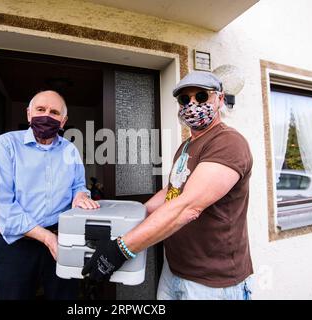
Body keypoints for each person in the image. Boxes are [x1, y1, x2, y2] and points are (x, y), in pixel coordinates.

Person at [82, 71, 253, 300]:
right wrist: (126, 220)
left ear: (220, 99)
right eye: (185, 99)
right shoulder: (186, 146)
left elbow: (188, 206)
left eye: (201, 96)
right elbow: (172, 191)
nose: (192, 104)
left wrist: (121, 248)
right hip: (174, 270)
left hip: (212, 282)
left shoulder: (228, 142)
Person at [0, 90, 99, 300]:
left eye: (54, 112)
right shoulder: (6, 145)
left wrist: (81, 196)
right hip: (15, 245)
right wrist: (47, 238)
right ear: (29, 114)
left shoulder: (70, 150)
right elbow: (2, 206)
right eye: (40, 109)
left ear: (63, 121)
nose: (46, 116)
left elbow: (79, 185)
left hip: (62, 239)